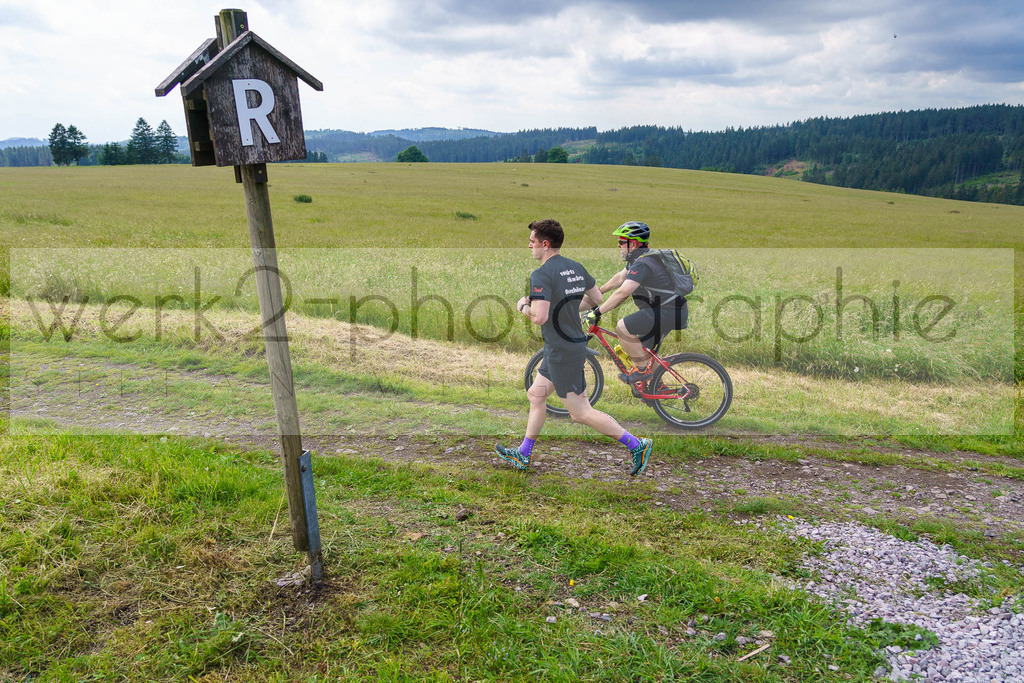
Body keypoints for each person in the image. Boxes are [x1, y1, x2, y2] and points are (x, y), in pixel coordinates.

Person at [495, 219, 653, 476]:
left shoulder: (541, 275)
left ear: (545, 245)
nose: (530, 246)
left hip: (562, 351)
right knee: (536, 395)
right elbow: (597, 300)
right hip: (564, 346)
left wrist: (523, 305)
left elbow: (539, 317)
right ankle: (524, 454)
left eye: (532, 242)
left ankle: (638, 445)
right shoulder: (575, 267)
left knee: (580, 413)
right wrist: (566, 305)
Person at [581, 221, 688, 384]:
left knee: (623, 327)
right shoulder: (641, 258)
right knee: (644, 353)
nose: (618, 245)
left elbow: (623, 292)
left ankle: (641, 370)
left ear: (634, 243)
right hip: (669, 311)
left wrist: (597, 312)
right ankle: (657, 387)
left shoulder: (643, 264)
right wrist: (597, 292)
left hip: (667, 311)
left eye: (622, 242)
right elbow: (619, 278)